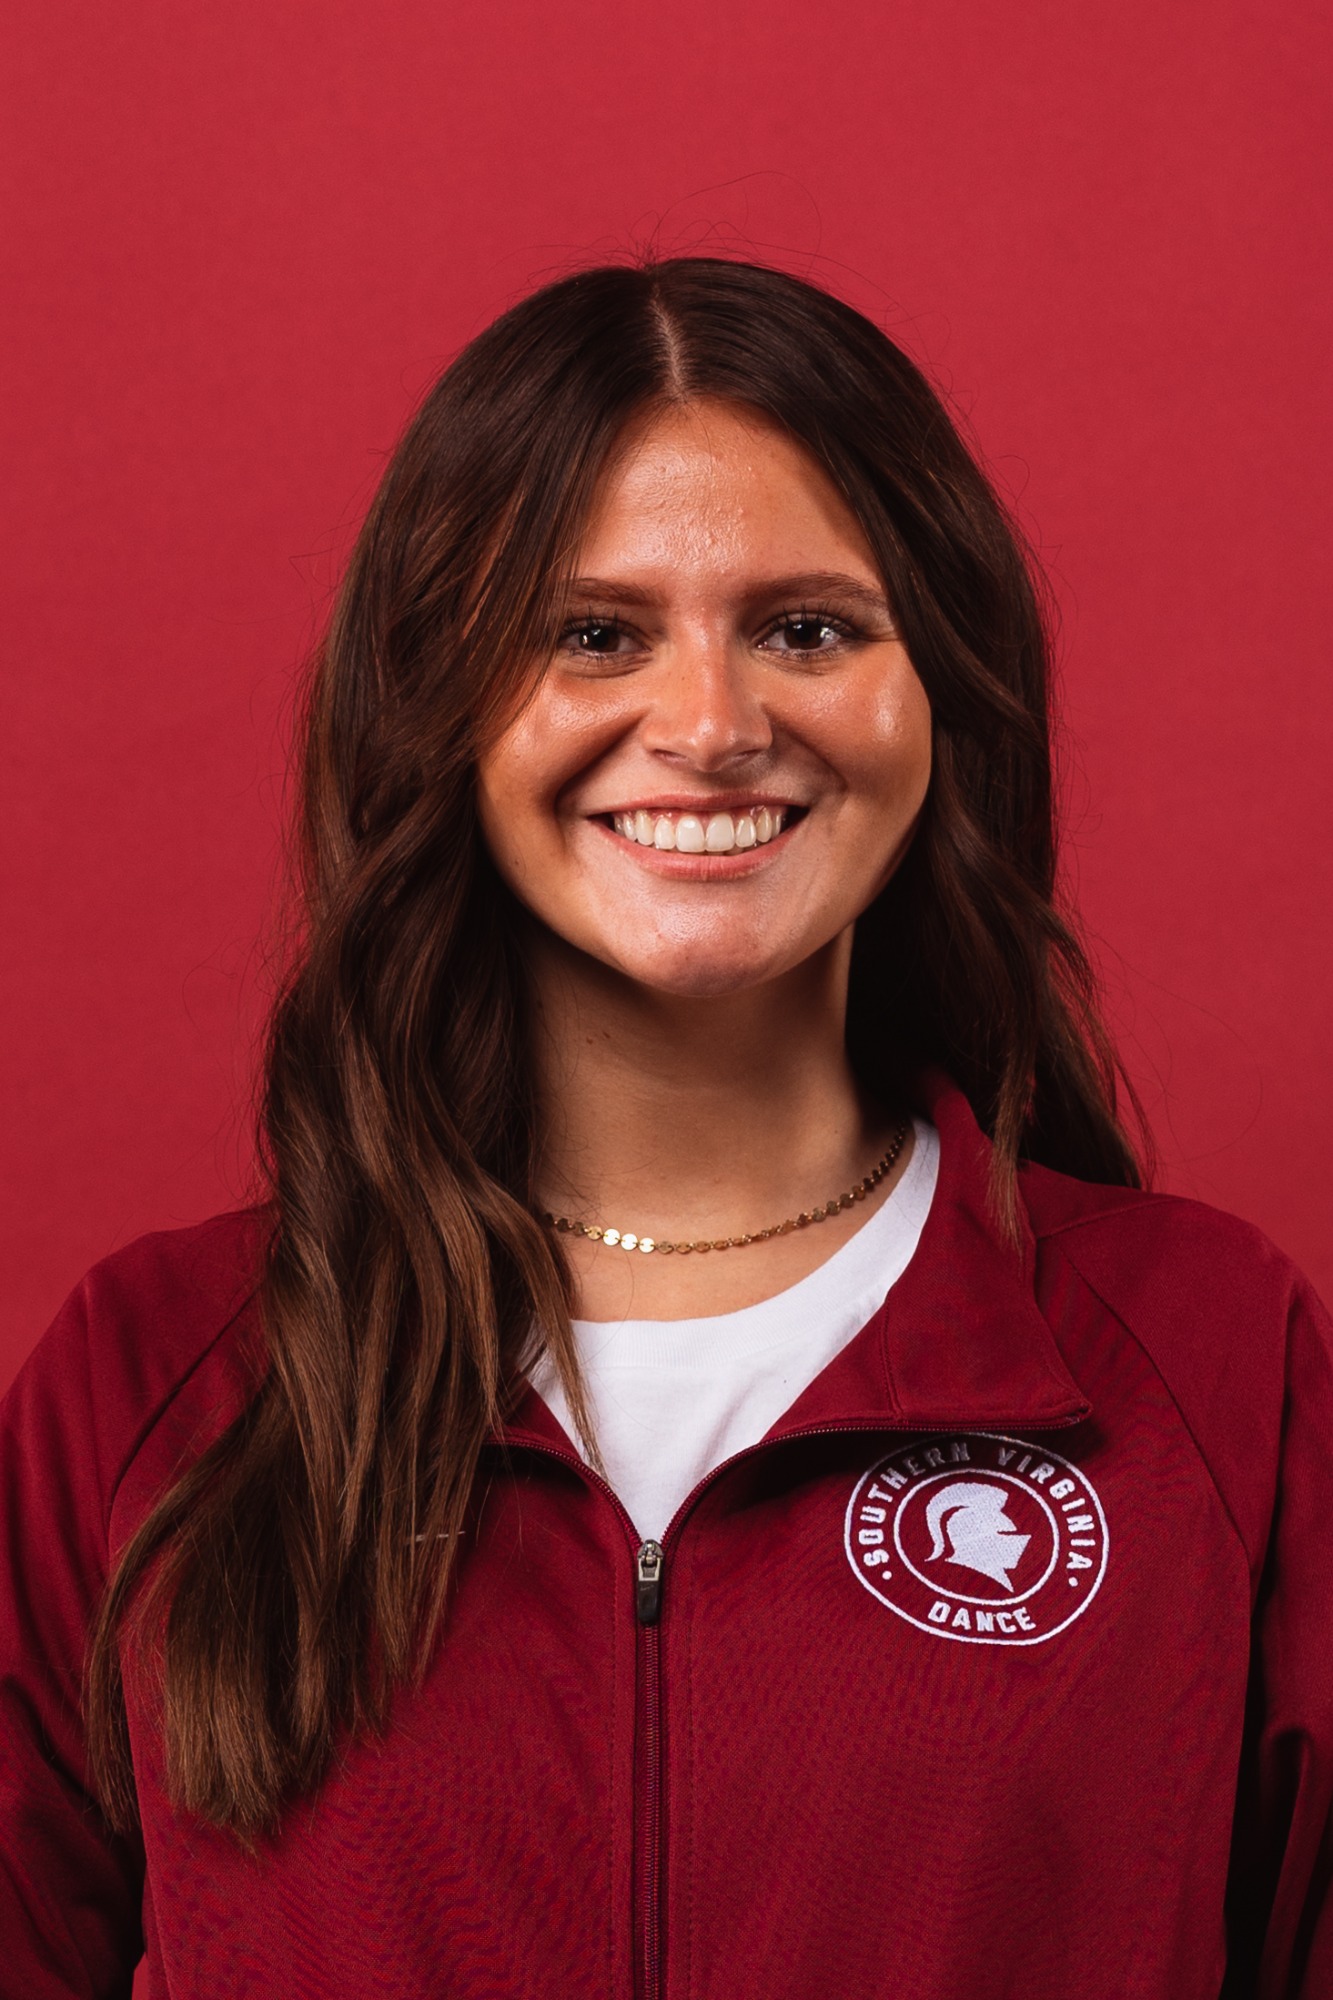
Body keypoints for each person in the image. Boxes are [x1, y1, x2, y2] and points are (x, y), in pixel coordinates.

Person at [1, 256, 1328, 2000]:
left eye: (806, 628)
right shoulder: (156, 1381)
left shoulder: (1209, 1360)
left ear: (938, 692)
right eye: (592, 634)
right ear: (439, 706)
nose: (709, 728)